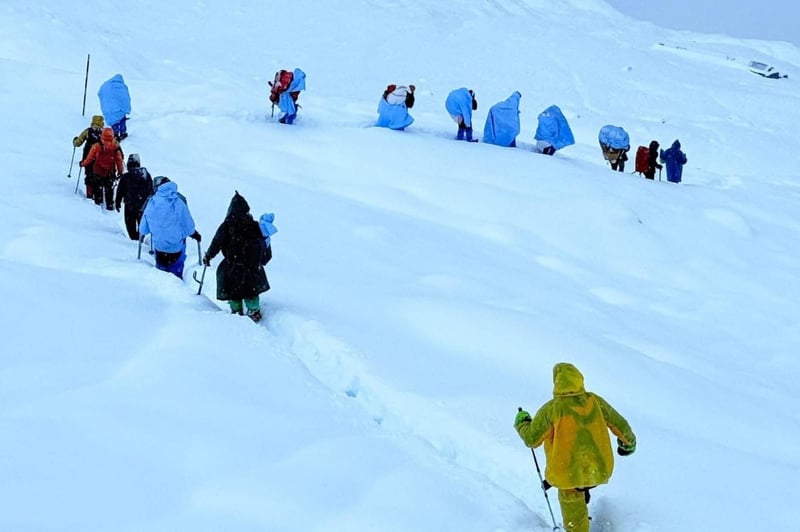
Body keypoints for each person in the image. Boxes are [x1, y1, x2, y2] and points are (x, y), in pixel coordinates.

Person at [515, 363, 636, 532]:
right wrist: (628, 444)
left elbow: (531, 439)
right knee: (581, 484)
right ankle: (583, 512)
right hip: (598, 469)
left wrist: (523, 422)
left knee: (574, 513)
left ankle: (578, 524)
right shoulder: (595, 401)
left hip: (568, 476)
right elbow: (621, 425)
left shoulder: (552, 409)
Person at [203, 192, 270, 323]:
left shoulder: (227, 225)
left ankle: (236, 312)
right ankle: (254, 310)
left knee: (233, 292)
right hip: (252, 267)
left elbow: (216, 242)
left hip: (232, 266)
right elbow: (263, 246)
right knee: (251, 291)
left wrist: (209, 256)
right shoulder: (255, 225)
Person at [139, 177, 200, 279]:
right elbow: (188, 227)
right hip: (176, 249)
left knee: (161, 276)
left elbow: (143, 229)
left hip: (159, 248)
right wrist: (195, 235)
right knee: (176, 273)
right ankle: (178, 281)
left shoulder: (151, 203)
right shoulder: (179, 202)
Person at [79, 127, 123, 209]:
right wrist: (120, 172)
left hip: (98, 171)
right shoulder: (115, 147)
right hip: (110, 172)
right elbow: (119, 161)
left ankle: (98, 205)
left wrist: (83, 164)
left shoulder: (97, 146)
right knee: (109, 189)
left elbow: (89, 158)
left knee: (97, 189)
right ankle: (109, 205)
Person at [115, 154, 153, 240]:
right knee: (142, 226)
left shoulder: (126, 177)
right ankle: (140, 240)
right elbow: (151, 191)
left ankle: (133, 241)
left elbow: (120, 191)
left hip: (129, 206)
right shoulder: (146, 176)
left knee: (130, 226)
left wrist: (117, 203)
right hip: (143, 207)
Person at [72, 115, 105, 198]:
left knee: (89, 174)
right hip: (100, 158)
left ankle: (89, 194)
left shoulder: (88, 131)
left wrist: (74, 141)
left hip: (87, 157)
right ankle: (99, 195)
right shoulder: (104, 133)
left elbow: (78, 143)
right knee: (99, 176)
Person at [98, 74, 131, 140]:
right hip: (119, 108)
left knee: (114, 121)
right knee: (122, 119)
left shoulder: (105, 86)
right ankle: (123, 133)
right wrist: (127, 108)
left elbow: (100, 93)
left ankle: (115, 134)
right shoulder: (122, 87)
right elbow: (125, 97)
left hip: (108, 108)